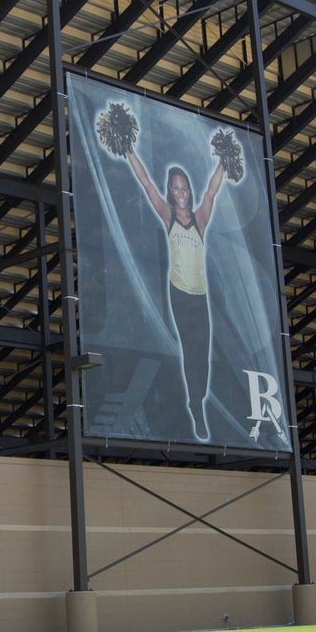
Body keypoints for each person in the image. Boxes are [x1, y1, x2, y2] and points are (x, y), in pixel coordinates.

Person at [124, 146, 228, 442]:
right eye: (175, 187)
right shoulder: (168, 215)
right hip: (179, 292)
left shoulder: (200, 219)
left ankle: (199, 400)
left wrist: (224, 161)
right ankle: (196, 410)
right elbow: (145, 183)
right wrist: (130, 150)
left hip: (200, 294)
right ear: (170, 192)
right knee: (190, 350)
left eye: (184, 187)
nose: (180, 192)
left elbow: (211, 192)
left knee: (202, 355)